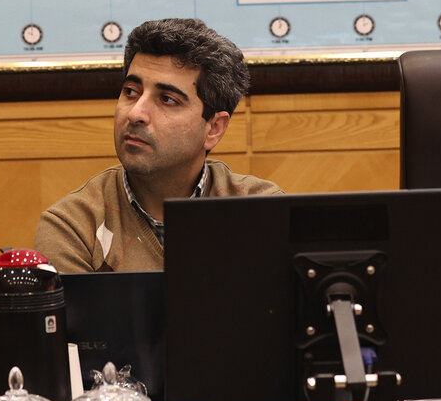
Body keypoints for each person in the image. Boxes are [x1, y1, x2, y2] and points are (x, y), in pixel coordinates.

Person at [34, 18, 282, 272]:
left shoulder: (264, 212)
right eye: (131, 91)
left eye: (167, 99)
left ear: (214, 128)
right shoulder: (71, 226)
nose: (135, 114)